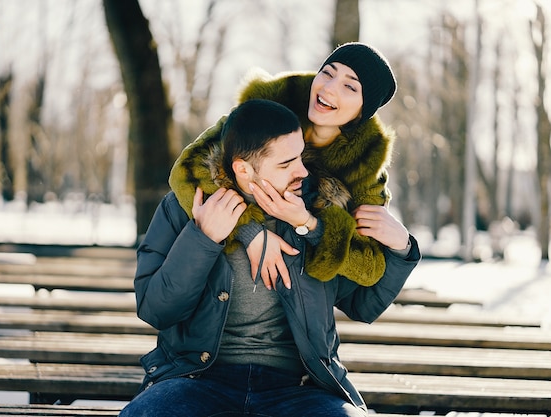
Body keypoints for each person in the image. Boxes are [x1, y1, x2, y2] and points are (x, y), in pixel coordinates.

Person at [119, 99, 420, 417]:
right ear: (244, 170)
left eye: (301, 156)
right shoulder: (184, 207)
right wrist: (203, 238)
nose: (302, 170)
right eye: (286, 163)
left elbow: (362, 304)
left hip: (301, 389)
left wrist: (402, 249)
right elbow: (156, 310)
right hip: (196, 380)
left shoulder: (320, 210)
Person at [169, 42, 400, 290]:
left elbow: (369, 267)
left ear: (363, 110)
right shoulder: (267, 107)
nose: (329, 88)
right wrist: (250, 232)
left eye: (349, 86)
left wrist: (309, 223)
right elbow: (188, 170)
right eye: (328, 72)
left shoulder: (365, 168)